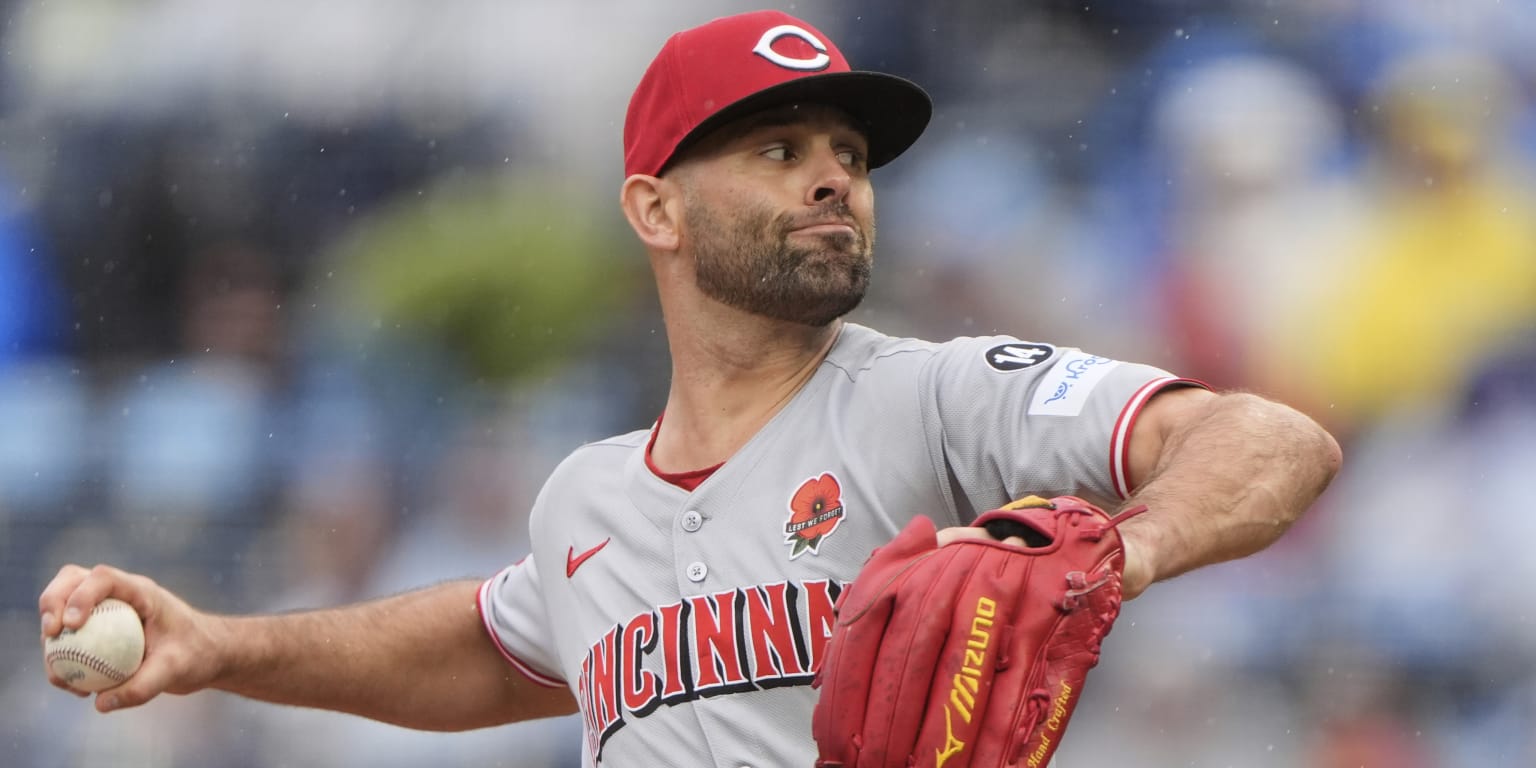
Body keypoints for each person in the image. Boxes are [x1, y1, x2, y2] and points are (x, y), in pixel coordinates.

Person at [38, 10, 1342, 767]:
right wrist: (222, 647)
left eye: (849, 154)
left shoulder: (937, 398)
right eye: (781, 149)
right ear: (654, 207)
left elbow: (1268, 439)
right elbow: (484, 653)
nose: (835, 177)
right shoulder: (585, 497)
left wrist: (1117, 551)